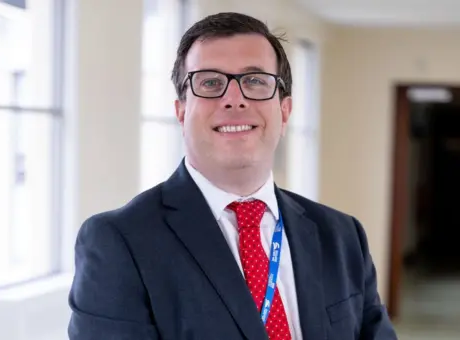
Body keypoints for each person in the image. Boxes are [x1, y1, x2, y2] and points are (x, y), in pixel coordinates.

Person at [67, 12, 398, 340]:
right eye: (210, 82)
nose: (234, 99)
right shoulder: (118, 242)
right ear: (182, 112)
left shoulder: (342, 236)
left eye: (255, 81)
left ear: (284, 112)